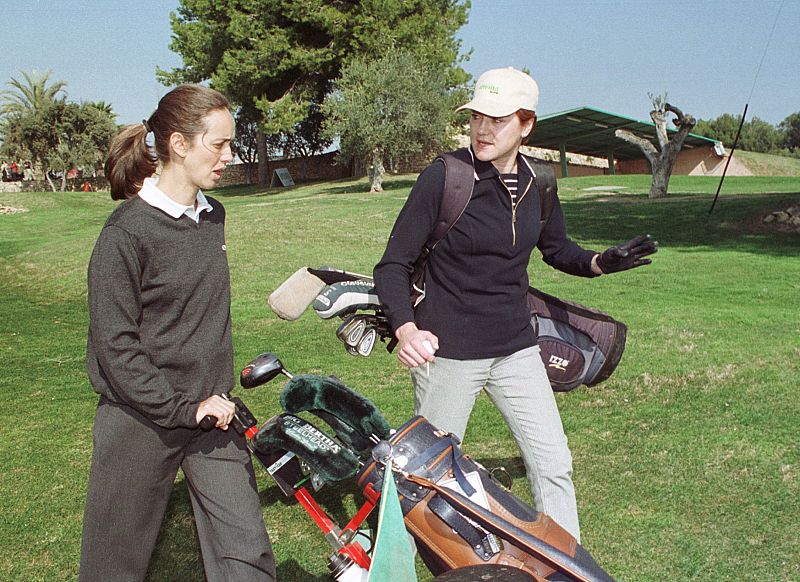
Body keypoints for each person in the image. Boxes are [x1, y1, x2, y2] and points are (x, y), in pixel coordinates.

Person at [373, 67, 657, 542]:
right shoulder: (446, 177)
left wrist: (601, 262)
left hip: (516, 348)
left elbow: (558, 250)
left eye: (498, 120)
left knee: (553, 463)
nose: (483, 129)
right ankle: (434, 562)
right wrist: (406, 329)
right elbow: (393, 265)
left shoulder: (539, 183)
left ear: (526, 125)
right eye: (478, 117)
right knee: (431, 479)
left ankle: (565, 566)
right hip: (448, 354)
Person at [80, 84, 276, 581]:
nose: (229, 157)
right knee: (113, 565)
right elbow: (116, 347)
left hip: (213, 411)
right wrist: (180, 408)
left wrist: (206, 400)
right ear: (178, 144)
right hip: (139, 419)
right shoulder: (124, 234)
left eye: (232, 144)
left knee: (246, 552)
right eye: (219, 144)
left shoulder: (213, 216)